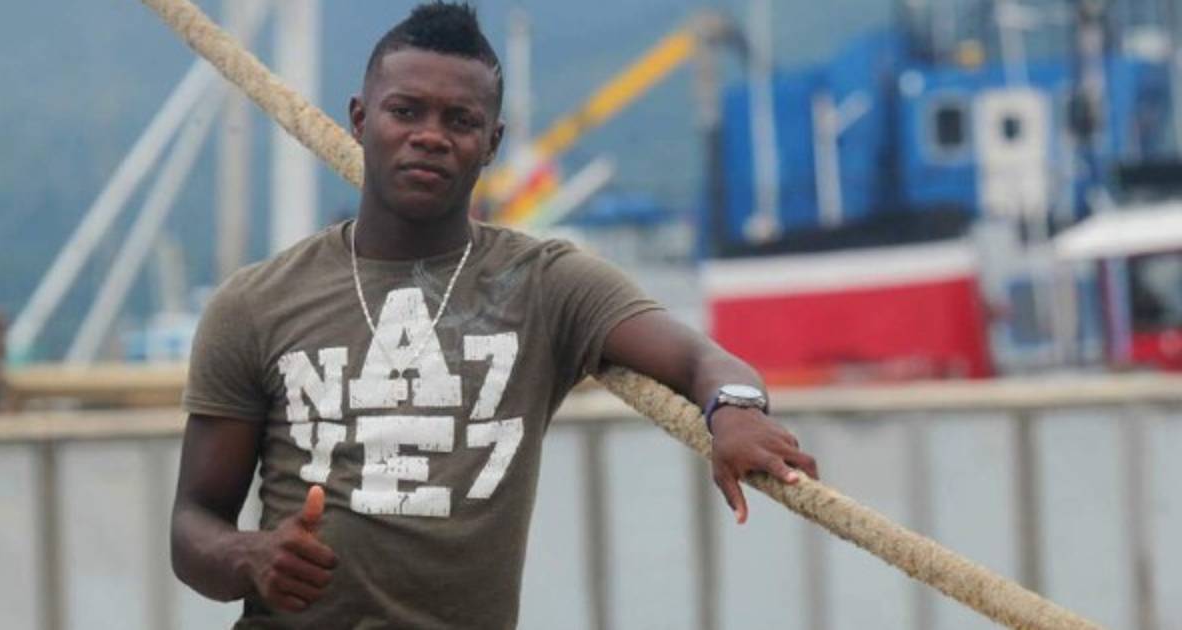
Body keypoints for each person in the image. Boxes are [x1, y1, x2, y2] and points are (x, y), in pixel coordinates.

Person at [171, 3, 819, 628]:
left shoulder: (546, 284)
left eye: (460, 120)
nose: (430, 135)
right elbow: (192, 525)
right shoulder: (256, 303)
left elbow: (702, 360)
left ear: (491, 143)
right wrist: (251, 557)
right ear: (360, 119)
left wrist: (736, 410)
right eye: (405, 111)